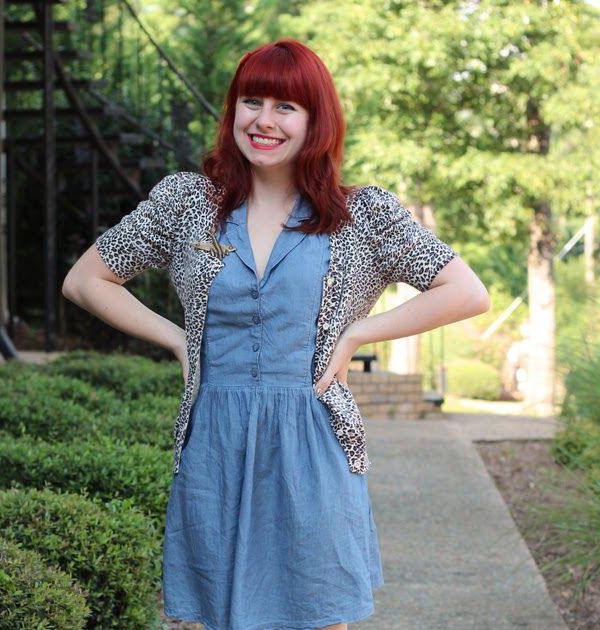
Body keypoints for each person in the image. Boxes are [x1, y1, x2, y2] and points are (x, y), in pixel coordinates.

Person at [63, 39, 489, 630]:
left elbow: (466, 292)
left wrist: (358, 333)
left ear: (317, 121)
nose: (264, 120)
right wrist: (180, 340)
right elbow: (87, 280)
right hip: (215, 441)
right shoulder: (187, 204)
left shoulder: (361, 215)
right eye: (251, 100)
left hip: (313, 441)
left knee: (318, 614)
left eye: (286, 107)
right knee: (220, 615)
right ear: (233, 109)